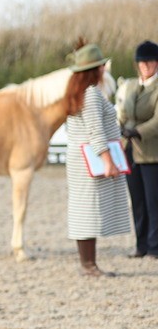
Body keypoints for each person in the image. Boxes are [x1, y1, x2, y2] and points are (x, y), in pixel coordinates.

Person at [63, 43, 132, 276]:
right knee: (88, 209)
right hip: (91, 158)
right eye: (101, 66)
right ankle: (88, 264)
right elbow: (96, 130)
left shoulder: (76, 92)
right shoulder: (91, 93)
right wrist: (108, 161)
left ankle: (88, 263)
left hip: (79, 158)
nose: (104, 69)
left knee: (83, 208)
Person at [115, 40, 158, 258]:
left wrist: (137, 131)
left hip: (152, 152)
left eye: (149, 62)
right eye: (141, 62)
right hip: (129, 150)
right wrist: (119, 126)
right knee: (137, 200)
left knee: (153, 201)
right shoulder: (130, 86)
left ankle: (155, 246)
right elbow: (123, 111)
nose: (145, 66)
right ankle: (141, 244)